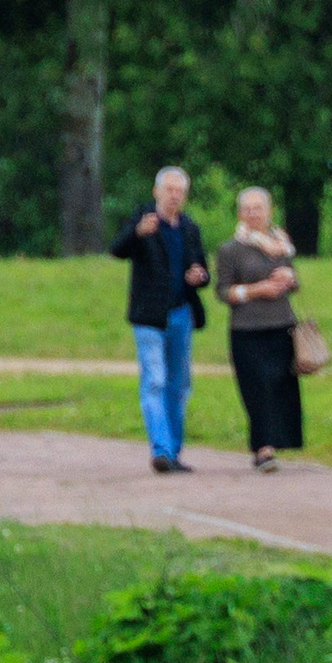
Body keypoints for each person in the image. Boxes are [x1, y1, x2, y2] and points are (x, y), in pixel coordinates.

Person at [109, 166, 210, 474]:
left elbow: (202, 268)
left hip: (181, 313)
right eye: (169, 190)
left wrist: (200, 275)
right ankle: (161, 449)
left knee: (179, 385)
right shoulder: (144, 221)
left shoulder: (189, 228)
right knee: (154, 380)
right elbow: (117, 249)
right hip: (149, 317)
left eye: (179, 191)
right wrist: (137, 233)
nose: (174, 196)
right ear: (157, 192)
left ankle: (173, 453)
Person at [211, 187, 304, 473]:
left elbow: (295, 282)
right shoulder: (230, 249)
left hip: (281, 324)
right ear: (240, 213)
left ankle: (278, 442)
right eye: (248, 209)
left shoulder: (282, 244)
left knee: (280, 386)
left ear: (269, 211)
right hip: (247, 329)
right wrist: (256, 290)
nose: (253, 214)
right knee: (256, 388)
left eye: (258, 208)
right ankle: (262, 449)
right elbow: (223, 291)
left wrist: (289, 278)